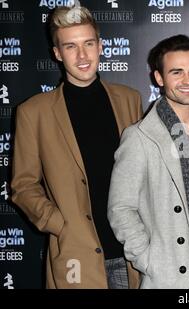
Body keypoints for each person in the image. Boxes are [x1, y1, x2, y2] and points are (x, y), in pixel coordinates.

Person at [11, 5, 142, 289]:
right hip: (75, 258)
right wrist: (60, 225)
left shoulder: (130, 100)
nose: (82, 56)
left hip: (131, 255)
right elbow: (23, 186)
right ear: (57, 53)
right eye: (71, 46)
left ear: (101, 46)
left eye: (88, 44)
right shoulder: (34, 112)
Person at [107, 35, 189, 289]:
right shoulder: (140, 137)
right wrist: (148, 260)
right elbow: (120, 208)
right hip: (169, 276)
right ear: (159, 78)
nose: (187, 81)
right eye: (177, 72)